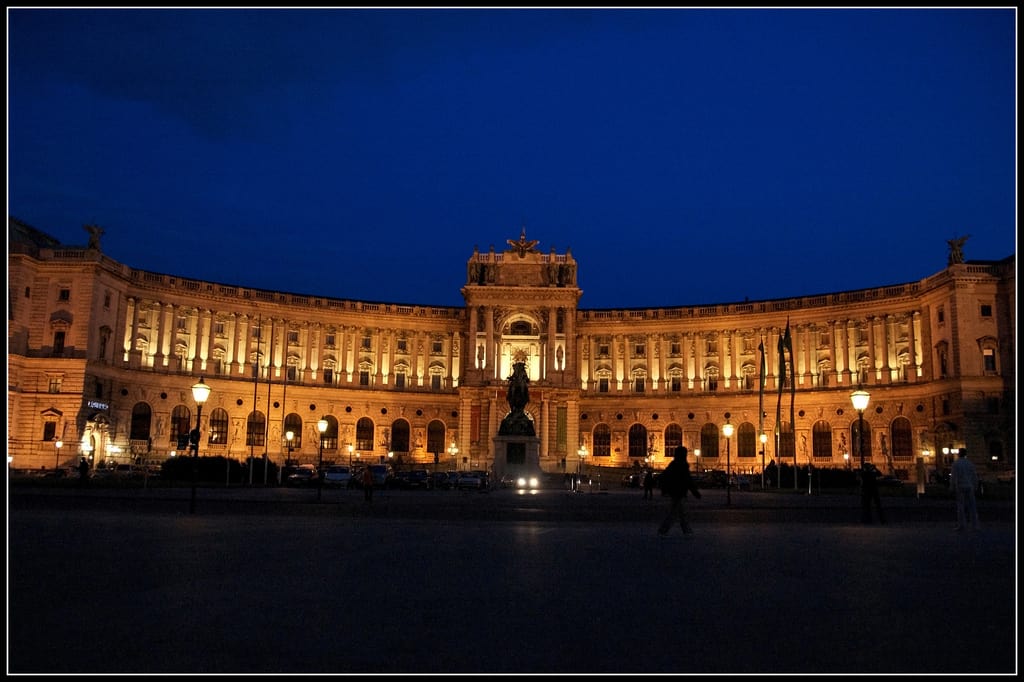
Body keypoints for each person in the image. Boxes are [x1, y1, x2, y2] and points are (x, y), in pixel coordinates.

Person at [658, 446, 701, 535]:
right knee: (675, 513)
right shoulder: (682, 465)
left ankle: (685, 530)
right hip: (678, 492)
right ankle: (664, 530)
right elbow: (687, 480)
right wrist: (695, 492)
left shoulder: (673, 464)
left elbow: (664, 476)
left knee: (680, 512)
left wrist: (665, 489)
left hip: (675, 491)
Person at [950, 449, 980, 531]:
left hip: (960, 486)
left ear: (959, 454)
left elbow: (953, 477)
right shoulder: (970, 463)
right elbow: (974, 475)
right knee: (972, 506)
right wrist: (976, 486)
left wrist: (952, 486)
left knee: (960, 506)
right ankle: (975, 525)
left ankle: (962, 525)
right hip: (969, 486)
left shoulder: (956, 463)